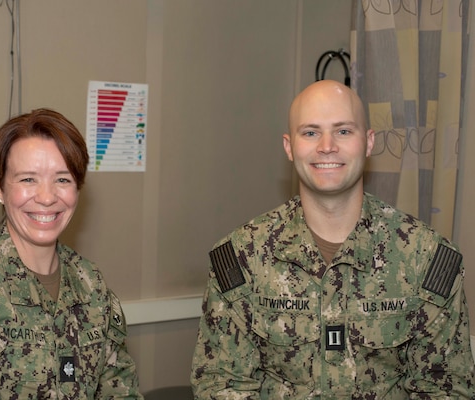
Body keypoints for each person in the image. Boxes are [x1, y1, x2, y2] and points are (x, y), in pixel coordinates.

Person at [190, 80, 475, 398]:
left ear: (368, 142)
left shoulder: (427, 257)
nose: (327, 146)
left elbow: (445, 385)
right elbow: (221, 383)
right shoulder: (242, 257)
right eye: (310, 132)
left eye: (343, 131)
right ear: (289, 146)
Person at [0, 108, 142, 399]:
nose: (47, 197)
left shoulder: (91, 284)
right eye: (28, 180)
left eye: (62, 179)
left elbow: (120, 389)